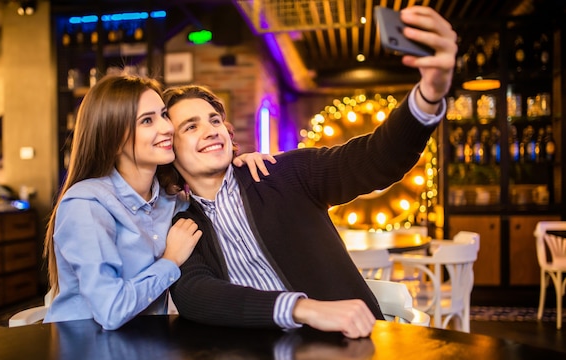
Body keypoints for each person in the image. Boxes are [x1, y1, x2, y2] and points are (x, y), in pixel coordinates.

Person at [161, 6, 458, 339]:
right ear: (169, 150)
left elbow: (376, 159)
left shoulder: (284, 174)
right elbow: (195, 295)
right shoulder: (182, 224)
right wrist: (302, 308)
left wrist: (429, 95)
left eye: (215, 120)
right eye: (191, 126)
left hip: (347, 355)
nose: (212, 129)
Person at [43, 75, 271, 330]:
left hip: (146, 346)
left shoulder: (171, 202)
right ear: (114, 138)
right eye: (147, 121)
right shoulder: (87, 204)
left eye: (163, 115)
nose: (167, 128)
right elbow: (111, 311)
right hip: (83, 351)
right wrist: (170, 260)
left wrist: (239, 165)